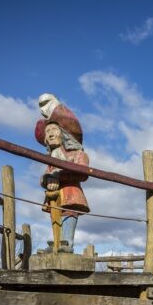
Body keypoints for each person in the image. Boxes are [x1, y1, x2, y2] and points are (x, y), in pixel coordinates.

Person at [36, 94, 89, 253]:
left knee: (69, 214)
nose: (50, 134)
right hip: (55, 196)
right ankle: (56, 244)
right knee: (56, 216)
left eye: (53, 129)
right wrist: (46, 179)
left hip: (70, 192)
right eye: (47, 131)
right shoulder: (51, 158)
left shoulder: (77, 154)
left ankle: (67, 243)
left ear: (64, 134)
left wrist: (58, 176)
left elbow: (83, 172)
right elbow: (44, 176)